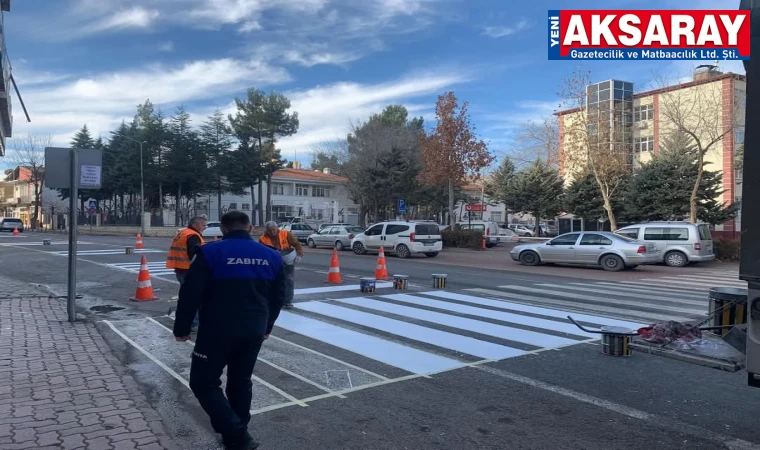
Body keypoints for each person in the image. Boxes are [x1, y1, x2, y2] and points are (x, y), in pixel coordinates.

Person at [173, 211, 286, 450]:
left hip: (217, 330)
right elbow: (278, 298)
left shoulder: (210, 253)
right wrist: (267, 327)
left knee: (203, 383)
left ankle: (236, 432)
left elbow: (190, 293)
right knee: (240, 381)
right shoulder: (272, 257)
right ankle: (237, 432)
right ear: (251, 227)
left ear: (223, 229)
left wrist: (182, 328)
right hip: (254, 329)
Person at [166, 216, 206, 328]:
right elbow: (196, 254)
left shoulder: (183, 232)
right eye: (203, 225)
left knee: (187, 297)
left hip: (181, 269)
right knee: (193, 298)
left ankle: (188, 321)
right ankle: (192, 322)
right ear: (195, 224)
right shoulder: (192, 235)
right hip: (189, 271)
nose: (205, 227)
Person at [258, 221, 303, 309]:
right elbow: (261, 252)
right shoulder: (263, 238)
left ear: (277, 228)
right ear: (266, 230)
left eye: (273, 230)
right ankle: (274, 299)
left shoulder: (286, 233)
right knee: (273, 281)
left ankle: (287, 301)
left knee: (289, 280)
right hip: (273, 262)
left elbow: (297, 244)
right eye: (269, 230)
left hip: (287, 260)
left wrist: (299, 254)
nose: (272, 232)